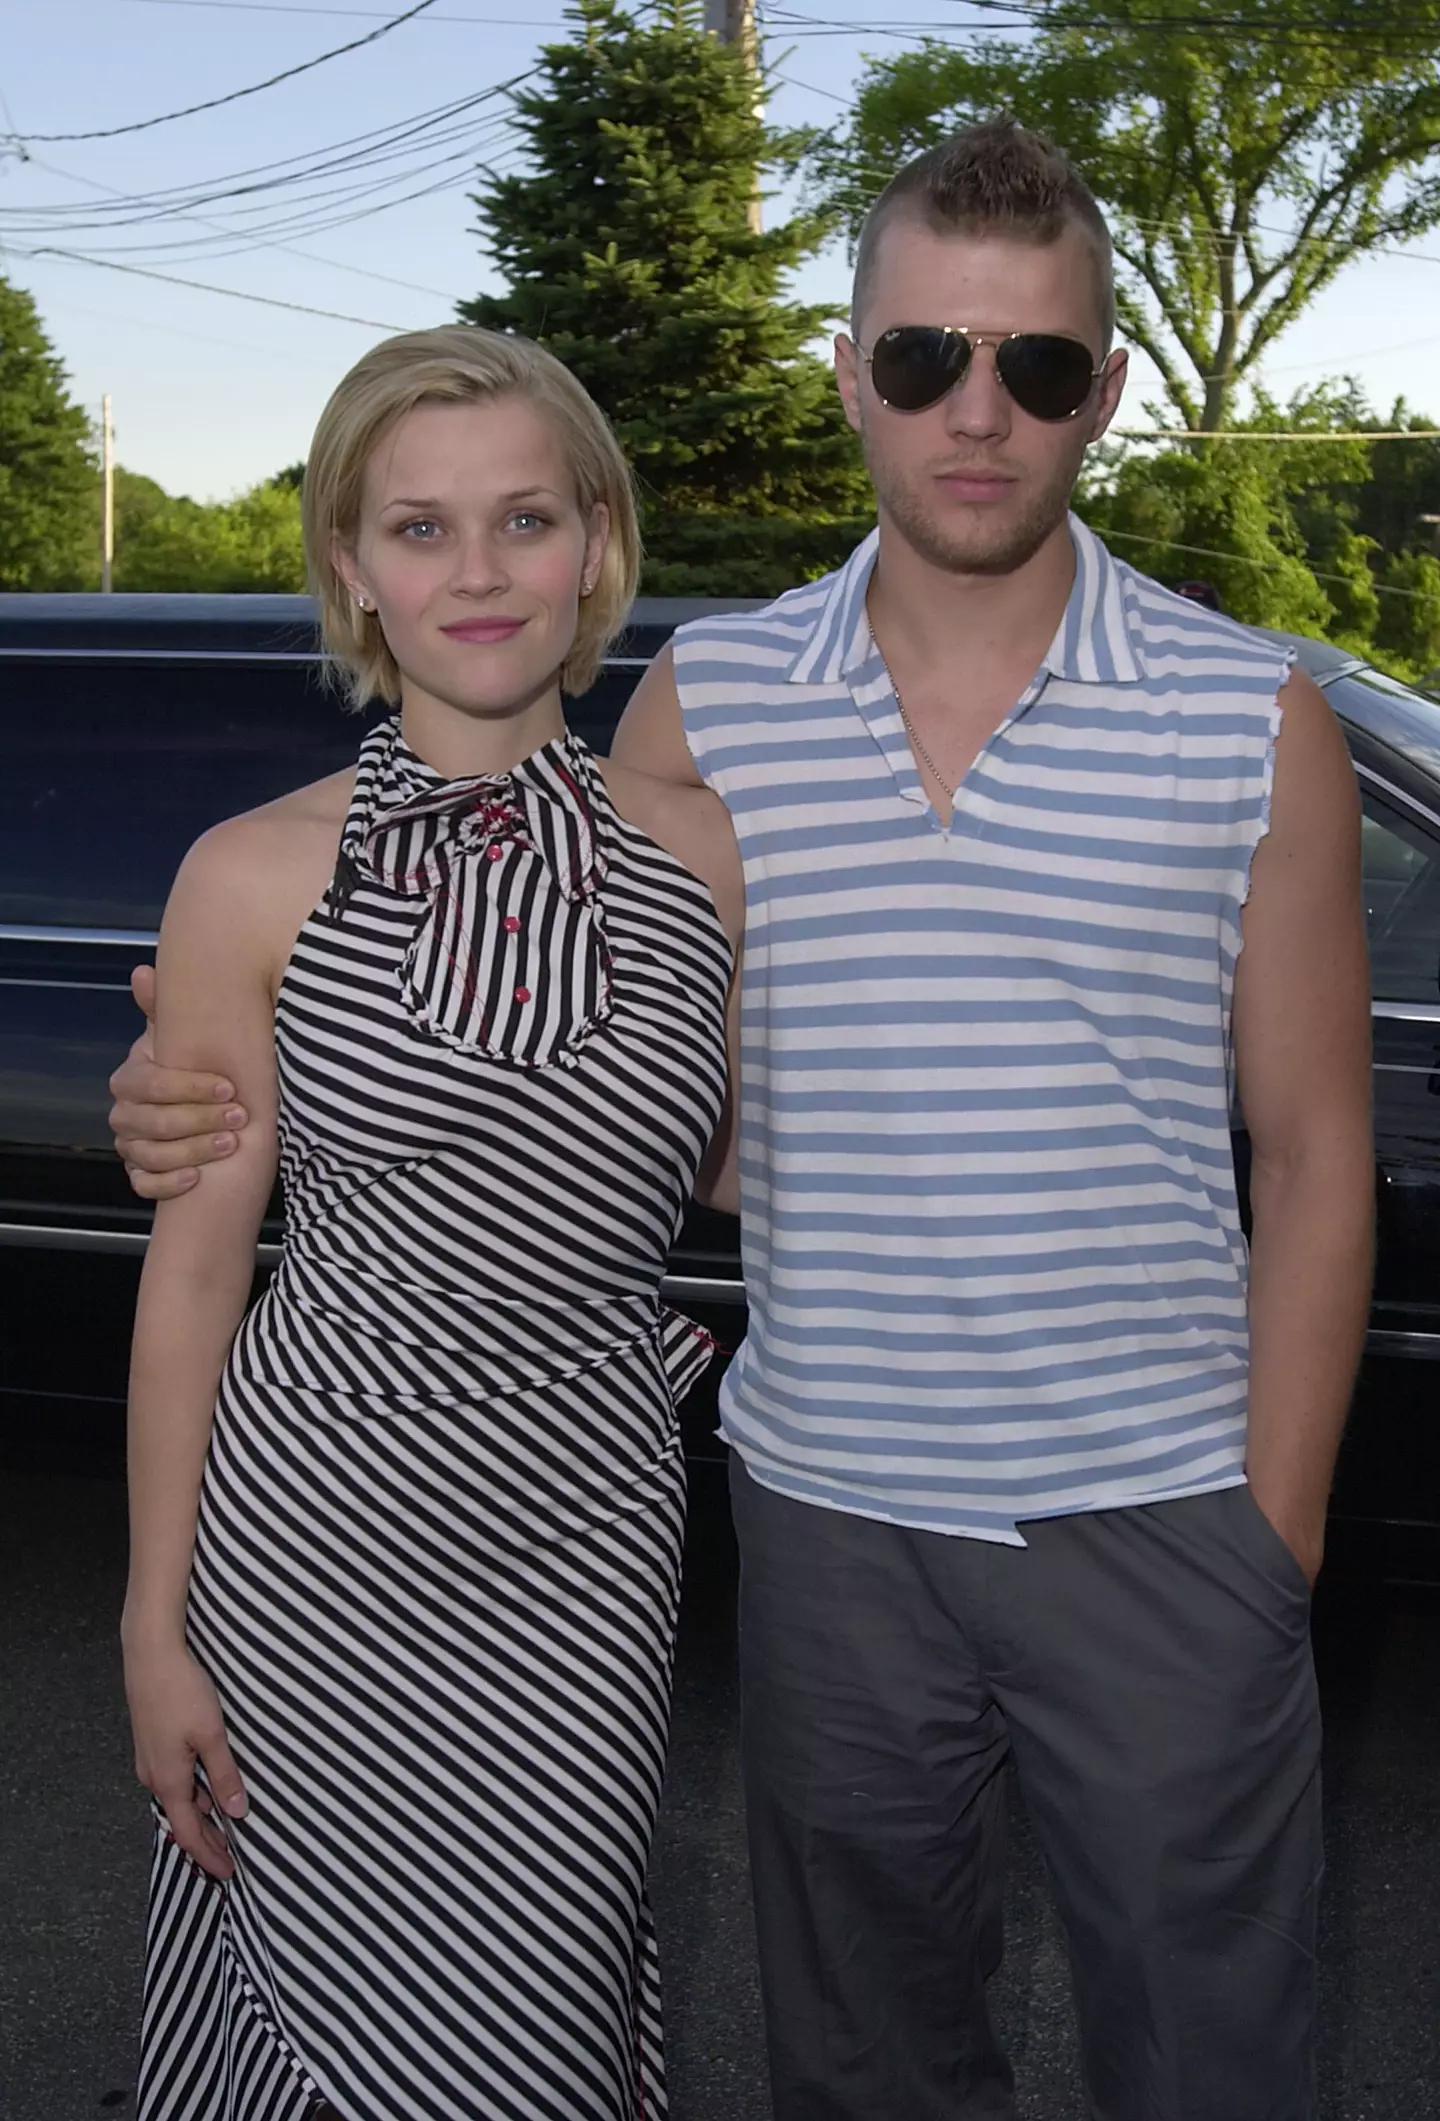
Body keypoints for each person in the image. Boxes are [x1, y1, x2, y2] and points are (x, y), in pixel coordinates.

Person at [111, 124, 1375, 2121]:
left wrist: (1267, 1547)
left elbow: (1315, 1151)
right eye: (923, 359)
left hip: (1155, 1521)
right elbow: (645, 1102)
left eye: (1039, 367)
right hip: (822, 1523)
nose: (980, 414)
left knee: (1216, 2064)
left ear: (1106, 391)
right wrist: (207, 1083)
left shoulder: (1252, 715)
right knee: (865, 2067)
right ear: (850, 367)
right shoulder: (719, 708)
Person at [115, 322, 742, 2121]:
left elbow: (729, 1158)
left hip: (585, 1540)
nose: (478, 573)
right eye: (418, 529)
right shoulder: (250, 870)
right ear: (349, 568)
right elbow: (198, 1279)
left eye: (523, 520)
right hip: (311, 1535)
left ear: (597, 544)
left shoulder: (708, 849)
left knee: (527, 2025)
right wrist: (155, 1629)